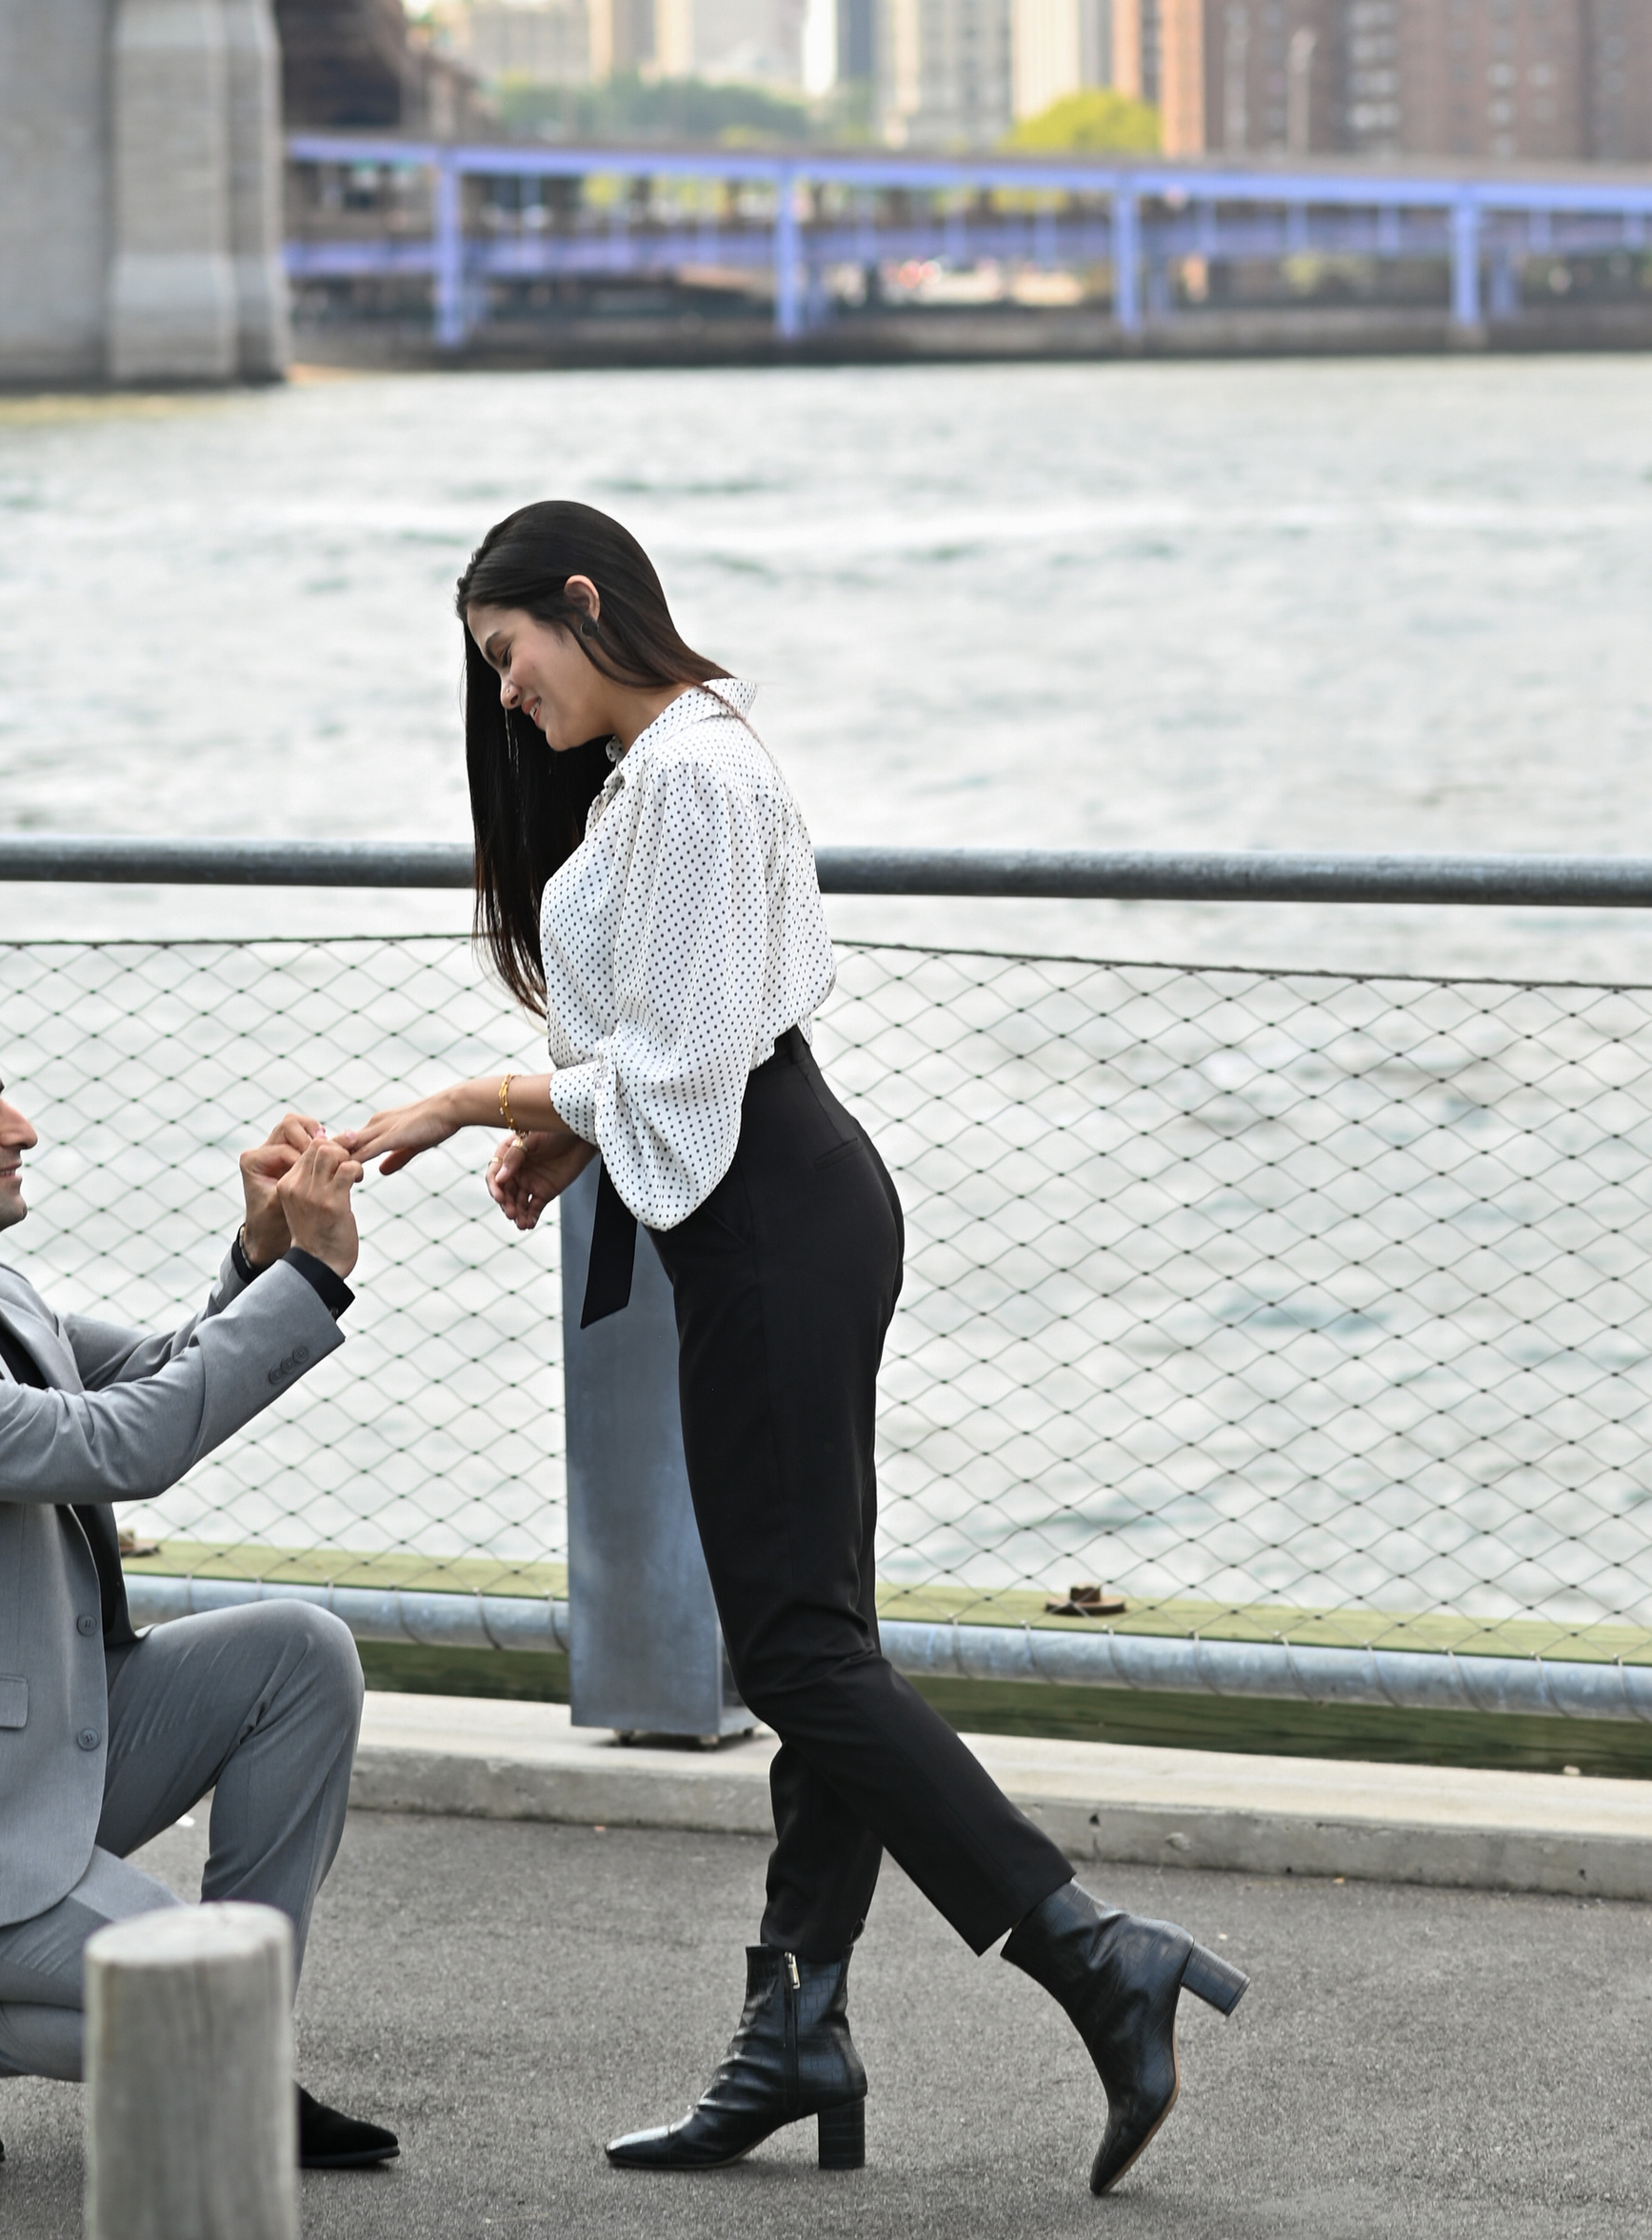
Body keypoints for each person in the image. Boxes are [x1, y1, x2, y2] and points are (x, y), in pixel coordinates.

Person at [346, 502, 1246, 2198]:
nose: (504, 689)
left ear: (582, 601)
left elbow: (688, 1063)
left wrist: (483, 1092)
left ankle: (1090, 1951)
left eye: (505, 649)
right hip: (771, 1202)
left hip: (772, 1218)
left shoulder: (690, 771)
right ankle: (798, 2023)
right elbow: (683, 1043)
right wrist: (578, 1127)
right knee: (820, 1638)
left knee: (798, 1657)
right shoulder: (669, 763)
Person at [0, 982, 398, 2177]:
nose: (23, 1129)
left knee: (298, 1654)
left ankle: (233, 2047)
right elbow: (120, 1446)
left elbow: (151, 1373)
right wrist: (312, 1278)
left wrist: (261, 1252)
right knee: (201, 2005)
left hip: (31, 1760)